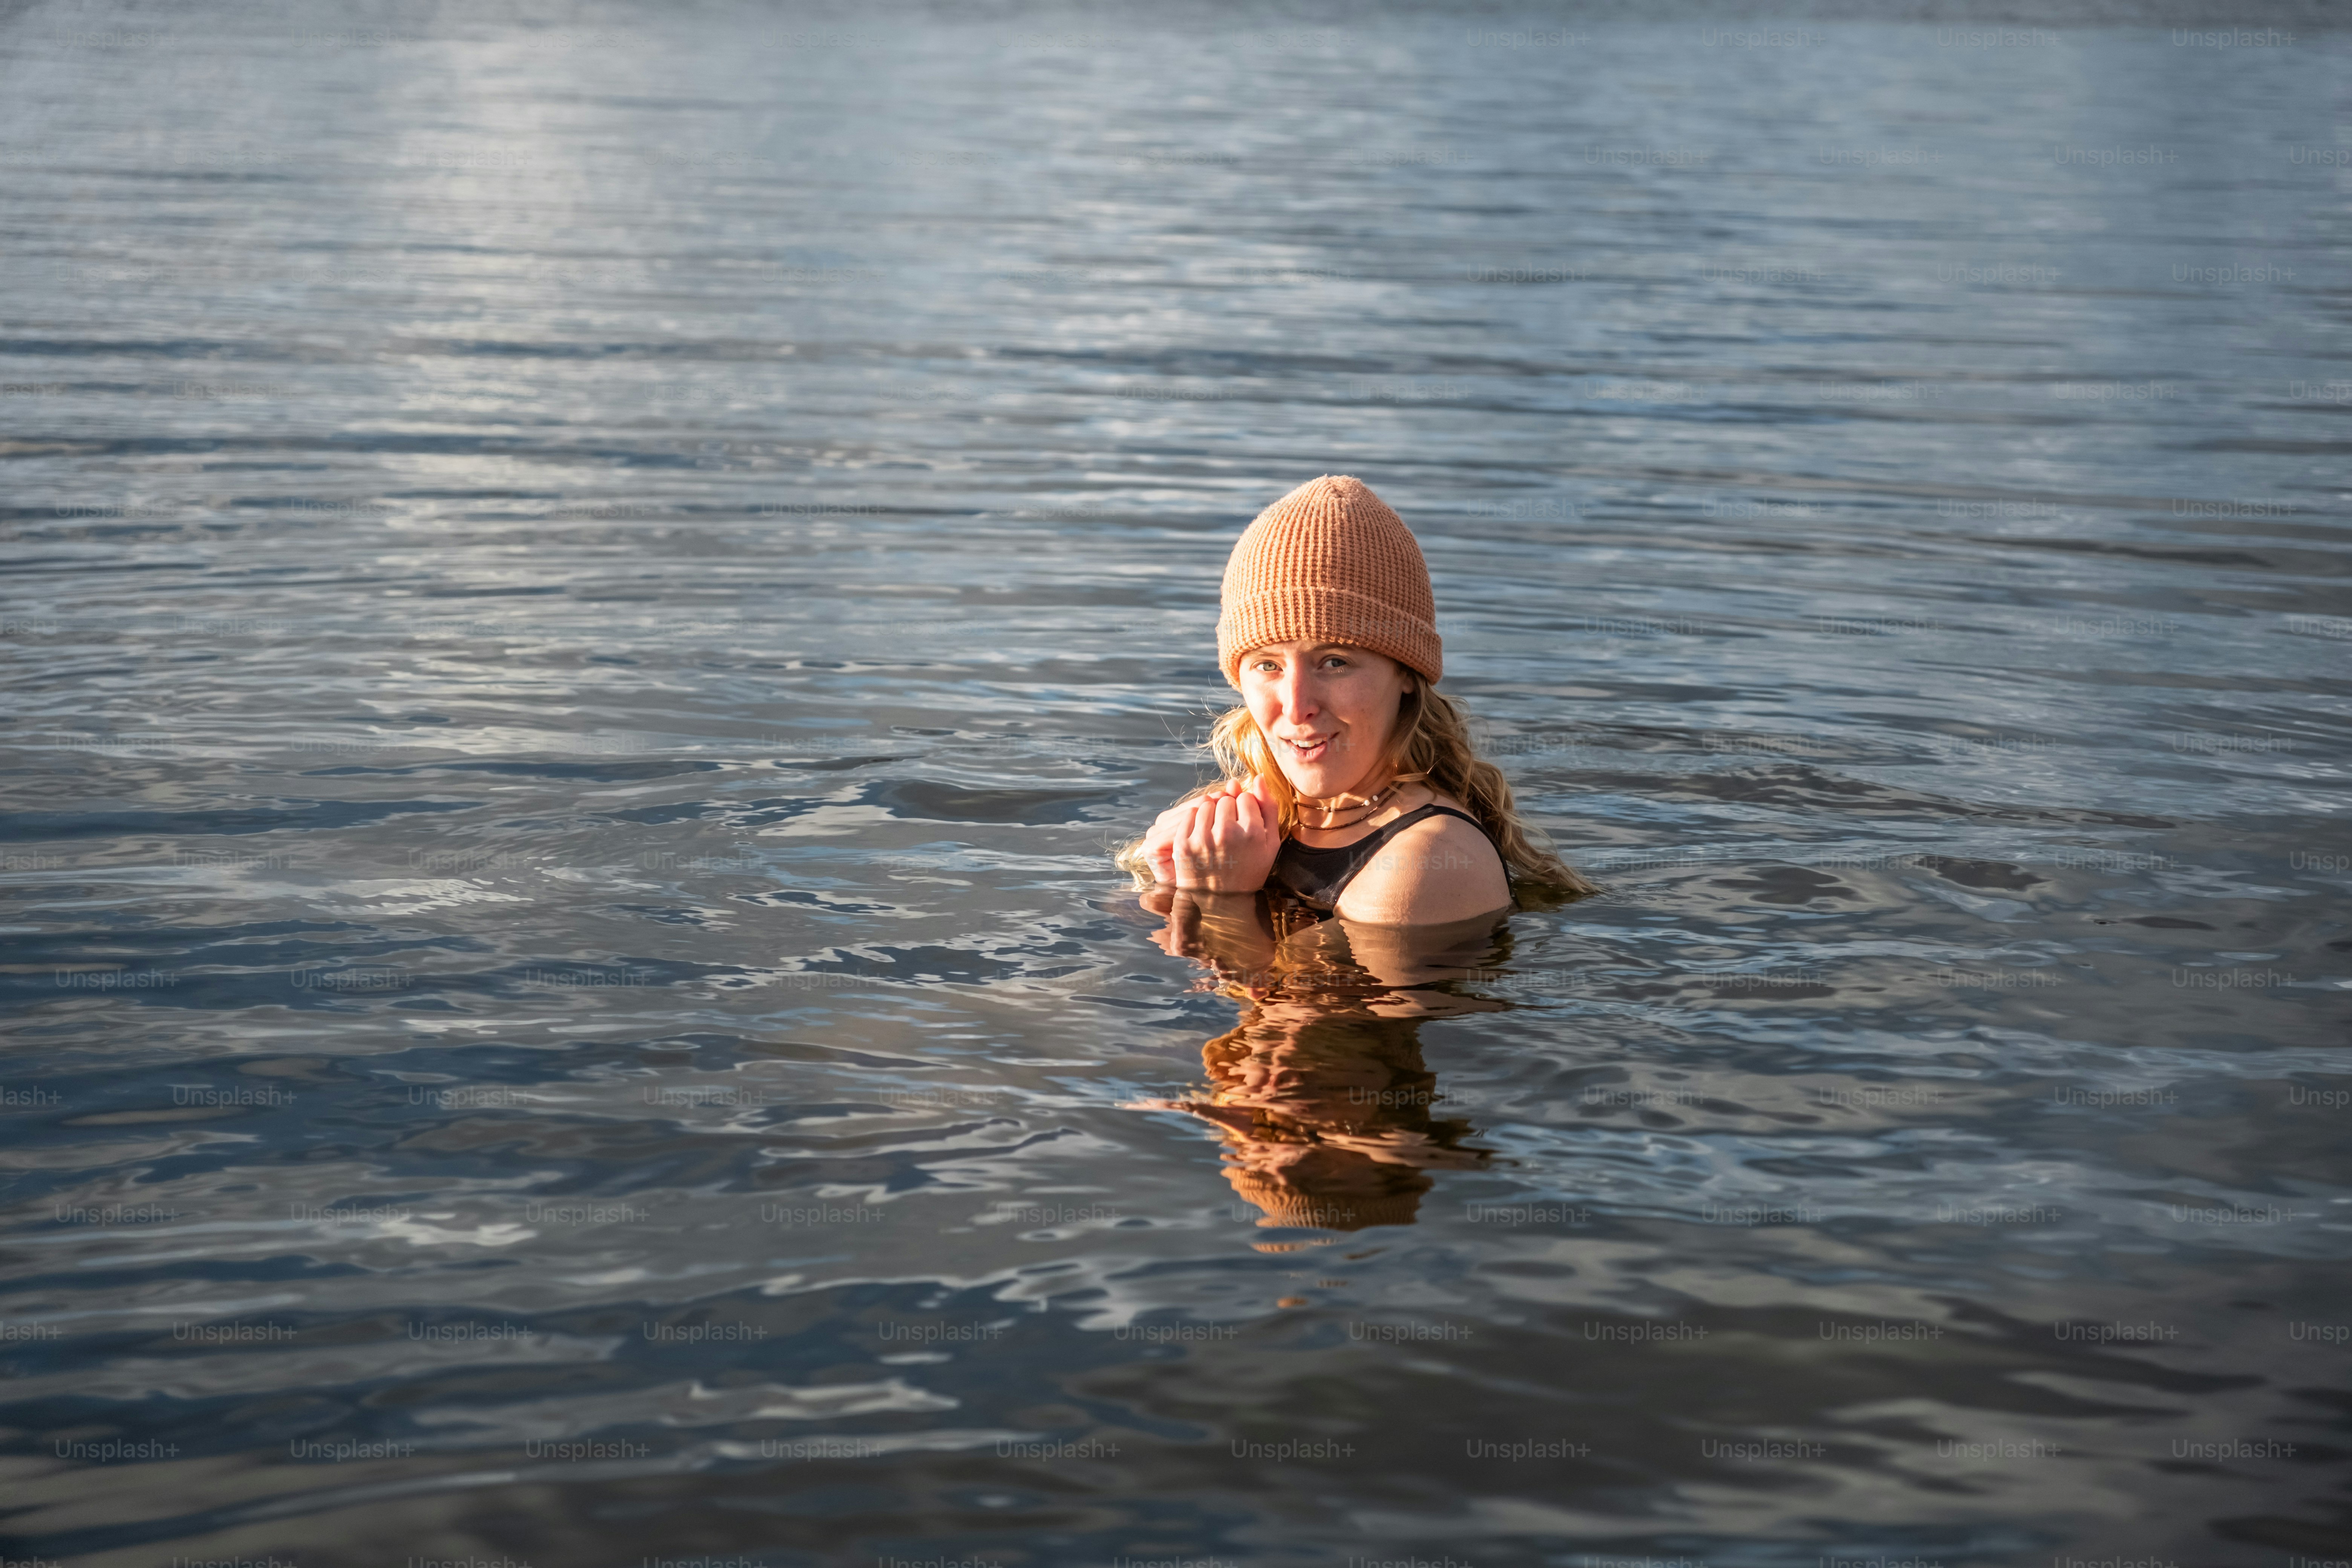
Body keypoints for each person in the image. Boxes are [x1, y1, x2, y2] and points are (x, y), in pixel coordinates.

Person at [1117, 475, 1598, 923]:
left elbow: (1303, 1016)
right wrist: (1169, 887)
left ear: (1406, 672)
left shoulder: (1427, 861)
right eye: (1269, 665)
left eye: (1335, 662)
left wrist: (1221, 900)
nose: (1296, 703)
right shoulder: (1250, 821)